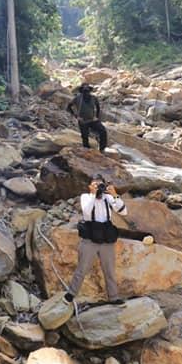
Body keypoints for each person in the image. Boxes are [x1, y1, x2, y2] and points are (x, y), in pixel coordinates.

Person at [65, 174, 127, 303]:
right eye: (95, 184)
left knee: (109, 270)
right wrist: (93, 194)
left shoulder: (108, 198)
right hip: (90, 239)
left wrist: (115, 194)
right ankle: (71, 294)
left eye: (100, 184)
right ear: (90, 186)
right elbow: (87, 211)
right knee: (82, 268)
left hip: (106, 239)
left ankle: (114, 297)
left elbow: (123, 211)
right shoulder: (86, 197)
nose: (98, 187)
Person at [66, 83, 107, 152]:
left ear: (89, 91)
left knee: (103, 130)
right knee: (85, 137)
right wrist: (76, 116)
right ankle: (87, 151)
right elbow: (69, 107)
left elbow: (98, 107)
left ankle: (102, 149)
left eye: (87, 91)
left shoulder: (94, 98)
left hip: (92, 120)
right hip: (83, 121)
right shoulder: (77, 98)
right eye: (84, 91)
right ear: (82, 91)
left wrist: (96, 117)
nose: (86, 93)